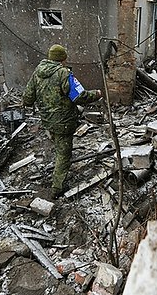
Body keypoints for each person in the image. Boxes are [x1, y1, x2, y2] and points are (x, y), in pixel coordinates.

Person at [23, 44, 102, 199]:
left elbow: (27, 98)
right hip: (63, 122)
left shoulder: (37, 72)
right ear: (62, 59)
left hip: (47, 120)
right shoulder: (64, 74)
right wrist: (97, 94)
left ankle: (57, 171)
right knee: (63, 154)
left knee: (59, 147)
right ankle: (57, 188)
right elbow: (79, 96)